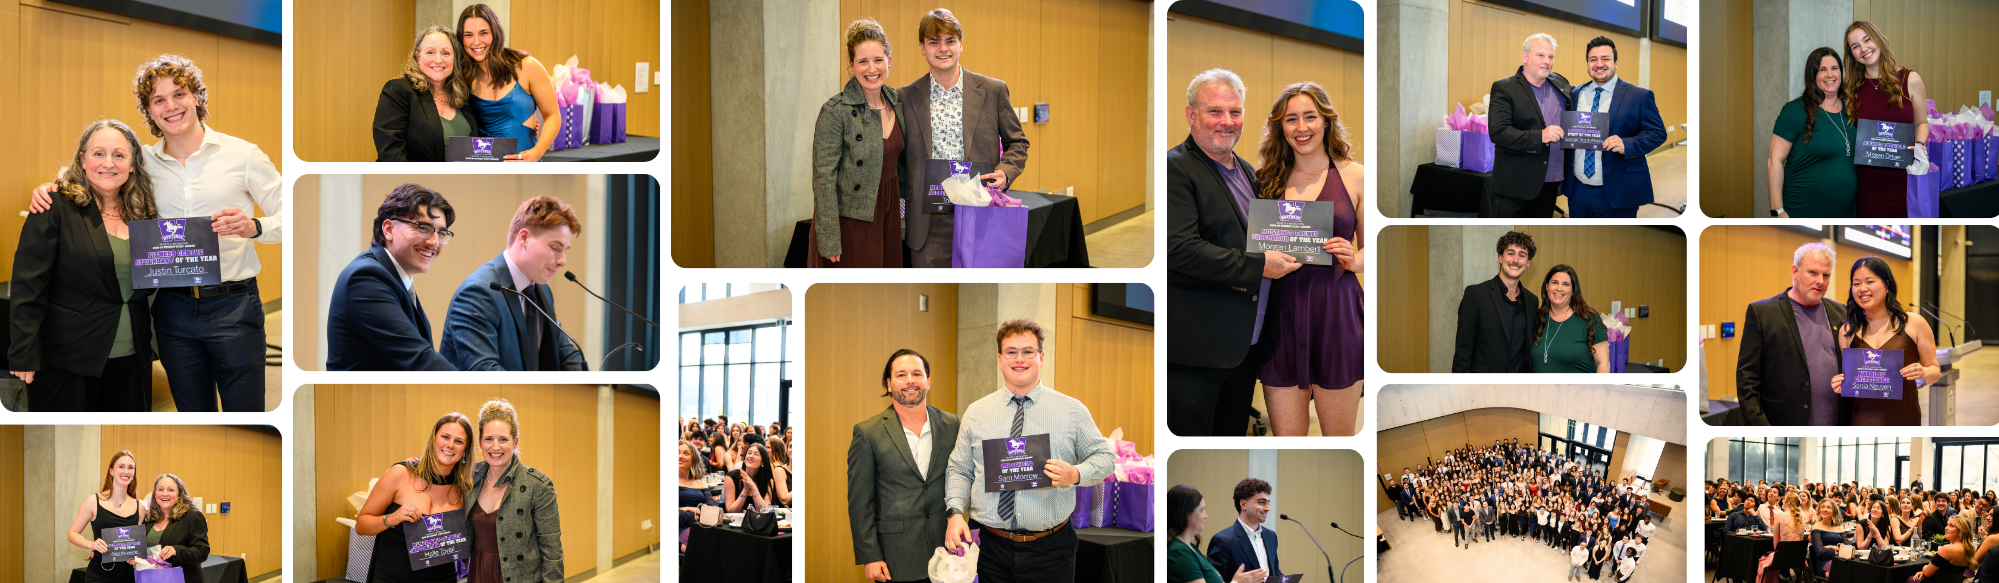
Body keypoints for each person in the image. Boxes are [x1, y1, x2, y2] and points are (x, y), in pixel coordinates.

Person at [1167, 68, 1293, 436]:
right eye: (1215, 111)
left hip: (1245, 348)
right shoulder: (1176, 168)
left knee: (1231, 434)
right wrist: (1261, 265)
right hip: (1199, 353)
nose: (1227, 122)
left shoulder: (1248, 171)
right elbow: (1181, 250)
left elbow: (1260, 236)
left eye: (1235, 112)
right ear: (1191, 115)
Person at [942, 319, 1115, 583]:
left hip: (1051, 550)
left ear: (1041, 357)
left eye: (1028, 351)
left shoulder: (1072, 410)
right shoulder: (976, 412)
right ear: (1000, 359)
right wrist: (954, 513)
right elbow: (959, 469)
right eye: (1011, 351)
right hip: (988, 548)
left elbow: (1105, 459)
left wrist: (1076, 474)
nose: (1019, 359)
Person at [9, 120, 160, 412]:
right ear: (82, 158)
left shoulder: (146, 213)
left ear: (132, 165)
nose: (108, 163)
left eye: (119, 155)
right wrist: (23, 353)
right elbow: (28, 286)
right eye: (98, 153)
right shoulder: (53, 206)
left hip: (133, 358)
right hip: (68, 359)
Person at [1251, 81, 1365, 436]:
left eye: (1310, 117)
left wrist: (1355, 260)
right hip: (1280, 317)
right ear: (1279, 127)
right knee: (1287, 439)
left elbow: (1371, 246)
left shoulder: (1356, 176)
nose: (1302, 128)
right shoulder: (1263, 180)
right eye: (1291, 119)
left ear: (1326, 121)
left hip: (1337, 314)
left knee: (1338, 438)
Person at [897, 8, 1031, 268]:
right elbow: (897, 156)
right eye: (934, 42)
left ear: (961, 45)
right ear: (923, 48)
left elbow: (1018, 143)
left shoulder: (993, 91)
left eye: (950, 41)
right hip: (927, 222)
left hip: (981, 214)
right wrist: (905, 194)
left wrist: (1005, 172)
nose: (943, 49)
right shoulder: (904, 97)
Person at [848, 349, 962, 583]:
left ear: (928, 382)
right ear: (889, 384)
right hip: (896, 558)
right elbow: (860, 503)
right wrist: (870, 556)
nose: (910, 380)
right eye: (901, 375)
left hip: (949, 553)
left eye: (917, 374)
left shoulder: (952, 425)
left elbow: (963, 476)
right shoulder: (868, 433)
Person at [440, 196, 588, 371]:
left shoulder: (542, 289)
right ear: (524, 237)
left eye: (565, 251)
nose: (562, 261)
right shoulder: (478, 292)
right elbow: (484, 371)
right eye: (555, 248)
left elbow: (563, 352)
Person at [326, 184, 458, 371]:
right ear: (388, 229)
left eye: (442, 233)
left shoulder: (393, 276)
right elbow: (419, 358)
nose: (434, 242)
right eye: (423, 228)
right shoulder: (366, 278)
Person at [809, 18, 907, 268]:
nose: (871, 69)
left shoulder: (898, 104)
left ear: (889, 61)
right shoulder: (835, 111)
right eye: (862, 61)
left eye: (878, 60)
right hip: (852, 220)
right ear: (851, 65)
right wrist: (830, 239)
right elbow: (823, 179)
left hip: (889, 213)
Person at [1735, 243, 1846, 425]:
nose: (1820, 281)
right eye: (1813, 273)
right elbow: (1747, 377)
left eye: (1826, 275)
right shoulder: (1762, 313)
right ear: (1795, 271)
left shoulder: (1841, 312)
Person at [357, 413, 472, 583]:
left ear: (465, 451)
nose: (450, 445)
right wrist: (393, 518)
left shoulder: (466, 489)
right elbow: (361, 525)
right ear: (433, 439)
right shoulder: (400, 474)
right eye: (445, 437)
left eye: (459, 441)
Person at [1561, 37, 1667, 218]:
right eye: (1593, 59)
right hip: (1577, 190)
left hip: (1619, 189)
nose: (1599, 64)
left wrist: (1627, 144)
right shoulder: (1574, 94)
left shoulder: (1639, 96)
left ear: (1616, 63)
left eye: (1605, 59)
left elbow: (1658, 133)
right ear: (1587, 64)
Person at [1832, 256, 1941, 425]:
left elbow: (1934, 370)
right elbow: (1852, 380)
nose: (1862, 289)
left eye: (1869, 281)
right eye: (1856, 283)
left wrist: (1925, 373)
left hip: (1903, 417)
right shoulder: (1847, 331)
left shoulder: (1915, 323)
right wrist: (1841, 384)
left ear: (1887, 284)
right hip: (1861, 420)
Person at [467, 398, 563, 583]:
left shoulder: (538, 486)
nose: (495, 447)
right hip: (478, 574)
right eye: (488, 439)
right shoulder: (470, 478)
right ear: (479, 442)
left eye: (503, 439)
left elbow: (552, 551)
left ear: (515, 441)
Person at [1844, 21, 1929, 218]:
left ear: (1879, 39)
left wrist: (1919, 143)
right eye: (1855, 46)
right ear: (1852, 55)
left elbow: (1922, 122)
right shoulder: (1851, 89)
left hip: (1905, 179)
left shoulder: (1910, 79)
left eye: (1867, 40)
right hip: (1865, 183)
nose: (1864, 49)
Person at [1488, 33, 1574, 218]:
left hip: (1552, 183)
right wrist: (1539, 136)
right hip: (1516, 186)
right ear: (1525, 57)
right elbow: (1498, 132)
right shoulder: (1504, 88)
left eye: (1551, 57)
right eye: (1540, 55)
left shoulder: (1561, 84)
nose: (1547, 62)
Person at [1768, 47, 1857, 218]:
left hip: (1845, 214)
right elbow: (1775, 161)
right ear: (1812, 75)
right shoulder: (1795, 110)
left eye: (1834, 68)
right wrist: (1777, 211)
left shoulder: (1852, 109)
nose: (1829, 74)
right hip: (1801, 212)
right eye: (1822, 69)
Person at [375, 25, 480, 161]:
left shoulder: (463, 96)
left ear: (455, 59)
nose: (438, 60)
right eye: (430, 52)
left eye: (446, 53)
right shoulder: (399, 90)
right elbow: (390, 153)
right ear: (417, 57)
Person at [1452, 231, 1540, 373]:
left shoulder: (1532, 301)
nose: (1516, 260)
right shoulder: (1475, 294)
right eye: (1510, 253)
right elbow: (1463, 350)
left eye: (1522, 255)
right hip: (1482, 386)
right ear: (1500, 257)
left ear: (1528, 262)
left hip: (1519, 387)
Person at [1167, 485, 1267, 583]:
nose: (1206, 516)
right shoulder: (1178, 551)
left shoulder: (1191, 547)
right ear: (1186, 514)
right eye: (1201, 510)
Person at [69, 451, 141, 583]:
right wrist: (92, 545)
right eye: (121, 466)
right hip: (98, 576)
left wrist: (135, 556)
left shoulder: (140, 507)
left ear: (134, 473)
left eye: (130, 467)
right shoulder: (93, 501)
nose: (126, 471)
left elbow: (136, 542)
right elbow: (72, 534)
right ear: (111, 471)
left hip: (128, 577)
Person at [1531, 265, 1611, 373]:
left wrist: (1598, 390)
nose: (1559, 288)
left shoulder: (1589, 319)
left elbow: (1603, 363)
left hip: (1581, 389)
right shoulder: (1537, 319)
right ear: (1546, 286)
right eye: (1555, 282)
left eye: (1566, 284)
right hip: (1541, 389)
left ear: (1573, 290)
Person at [1207, 478, 1283, 581]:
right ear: (1243, 504)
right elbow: (1212, 581)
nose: (1267, 508)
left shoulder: (1271, 536)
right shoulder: (1223, 540)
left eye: (1268, 503)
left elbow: (1274, 570)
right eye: (1261, 502)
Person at [142, 474, 209, 583]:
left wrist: (176, 550)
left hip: (183, 579)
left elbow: (202, 551)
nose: (165, 494)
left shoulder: (192, 517)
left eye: (170, 490)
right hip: (151, 578)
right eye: (160, 489)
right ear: (155, 494)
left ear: (179, 495)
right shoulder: (148, 519)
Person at [1910, 515, 1976, 583]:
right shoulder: (1969, 549)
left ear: (1960, 531)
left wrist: (1924, 568)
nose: (1946, 528)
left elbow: (1927, 573)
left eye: (1951, 526)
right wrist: (1924, 571)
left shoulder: (1948, 549)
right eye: (1947, 525)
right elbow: (1947, 571)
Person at [676, 440, 716, 552]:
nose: (680, 456)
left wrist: (689, 509)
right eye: (677, 452)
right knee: (701, 548)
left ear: (694, 458)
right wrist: (698, 514)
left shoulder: (700, 483)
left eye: (686, 453)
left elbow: (714, 513)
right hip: (678, 530)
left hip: (702, 527)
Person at [725, 442, 784, 511]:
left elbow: (765, 511)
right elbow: (731, 511)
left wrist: (753, 487)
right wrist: (745, 490)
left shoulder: (767, 480)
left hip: (758, 521)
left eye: (756, 454)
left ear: (763, 462)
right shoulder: (731, 477)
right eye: (749, 453)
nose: (751, 456)